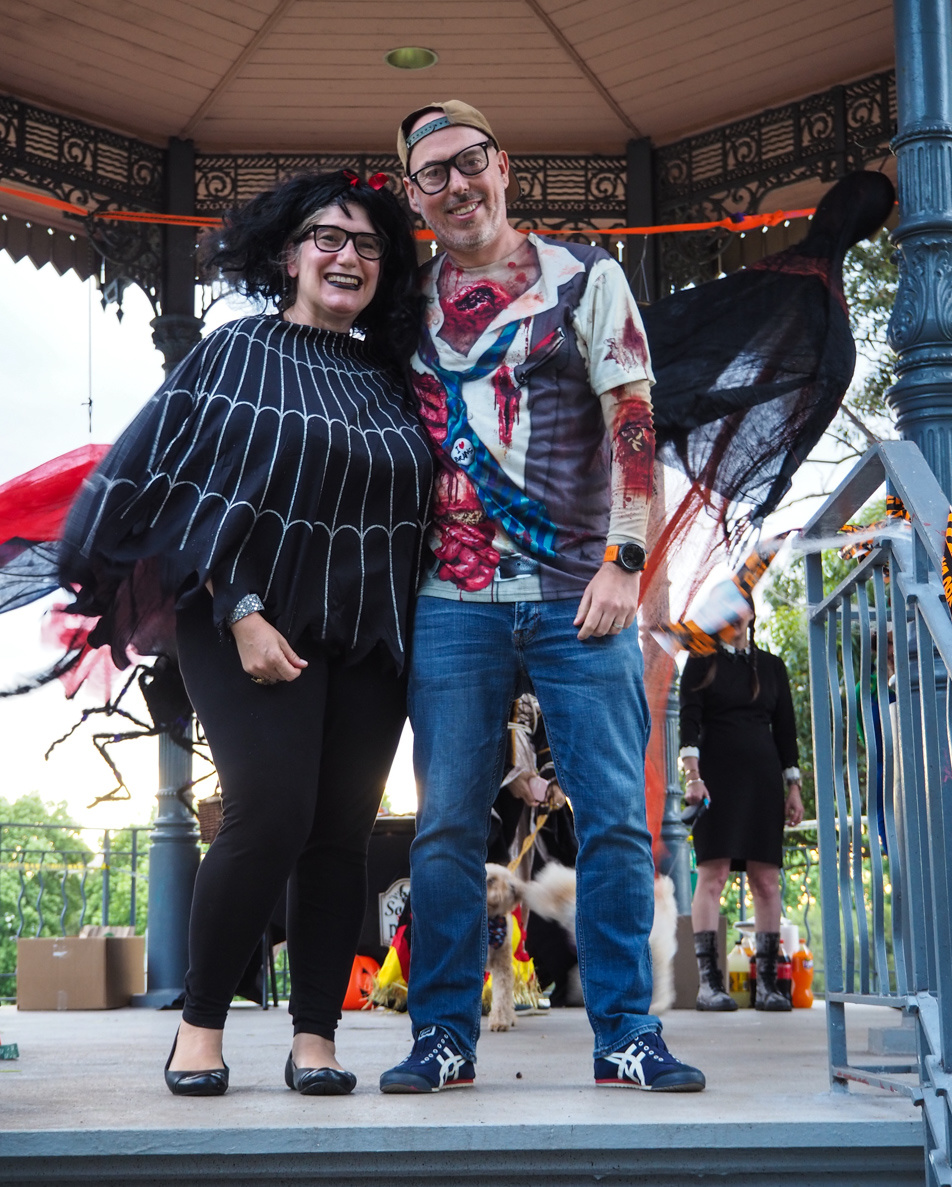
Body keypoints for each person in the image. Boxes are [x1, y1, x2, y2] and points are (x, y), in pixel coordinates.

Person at [58, 170, 433, 1095]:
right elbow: (185, 490)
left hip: (370, 633)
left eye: (368, 245)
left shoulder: (397, 378)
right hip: (247, 616)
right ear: (287, 253)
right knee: (269, 813)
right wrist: (240, 610)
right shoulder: (237, 350)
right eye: (327, 238)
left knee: (342, 833)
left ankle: (316, 1039)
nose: (346, 256)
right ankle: (199, 1025)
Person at [378, 100, 705, 1094]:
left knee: (611, 815)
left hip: (580, 591)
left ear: (502, 164)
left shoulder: (586, 277)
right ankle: (442, 1034)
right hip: (450, 596)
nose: (454, 185)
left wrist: (626, 560)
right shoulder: (405, 300)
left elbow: (633, 420)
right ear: (412, 193)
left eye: (468, 162)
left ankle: (624, 1034)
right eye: (430, 174)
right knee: (442, 826)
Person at [680, 601, 803, 1012]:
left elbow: (786, 731)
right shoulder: (701, 660)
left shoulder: (772, 666)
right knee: (711, 875)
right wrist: (693, 777)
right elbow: (689, 721)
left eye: (740, 610)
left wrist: (794, 788)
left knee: (766, 880)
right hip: (716, 778)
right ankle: (708, 986)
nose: (734, 618)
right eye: (726, 610)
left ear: (750, 614)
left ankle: (767, 985)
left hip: (763, 779)